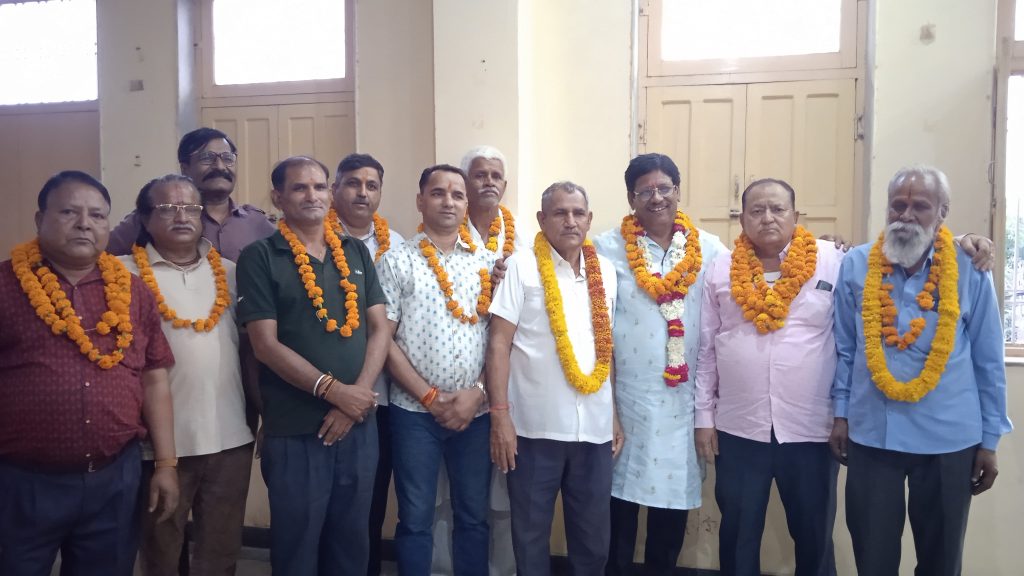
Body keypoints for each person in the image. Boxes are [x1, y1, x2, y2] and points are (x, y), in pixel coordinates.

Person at [830, 166, 1012, 576]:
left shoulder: (970, 268)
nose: (906, 215)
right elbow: (845, 348)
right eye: (898, 205)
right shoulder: (857, 264)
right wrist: (840, 414)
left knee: (941, 561)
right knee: (873, 558)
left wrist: (990, 441)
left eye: (921, 206)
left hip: (948, 439)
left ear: (943, 212)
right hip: (873, 434)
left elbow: (988, 360)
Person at [0, 171, 179, 576]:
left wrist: (166, 464)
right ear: (40, 219)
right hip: (22, 483)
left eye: (97, 215)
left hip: (114, 480)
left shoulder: (133, 291)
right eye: (69, 212)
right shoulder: (5, 286)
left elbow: (154, 379)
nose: (85, 224)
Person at [236, 156, 390, 575]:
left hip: (358, 426)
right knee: (298, 546)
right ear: (278, 197)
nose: (312, 195)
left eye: (320, 186)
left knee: (352, 543)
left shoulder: (355, 251)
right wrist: (335, 392)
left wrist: (355, 399)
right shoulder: (260, 256)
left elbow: (380, 329)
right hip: (296, 427)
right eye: (300, 187)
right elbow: (264, 345)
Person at [694, 179, 841, 576]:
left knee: (814, 535)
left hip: (811, 429)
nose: (768, 218)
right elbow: (706, 349)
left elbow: (888, 259)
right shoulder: (720, 268)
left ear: (796, 215)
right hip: (739, 428)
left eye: (778, 209)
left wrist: (965, 241)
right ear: (743, 219)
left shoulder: (833, 260)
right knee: (738, 535)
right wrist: (703, 418)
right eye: (756, 211)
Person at [593, 153, 728, 575]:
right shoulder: (605, 249)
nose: (656, 198)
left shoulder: (709, 248)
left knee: (670, 517)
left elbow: (750, 274)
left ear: (678, 191)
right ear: (630, 198)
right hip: (626, 402)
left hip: (683, 406)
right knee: (618, 512)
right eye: (645, 191)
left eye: (664, 188)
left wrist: (827, 250)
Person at [119, 174, 255, 576]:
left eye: (190, 208)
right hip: (159, 445)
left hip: (230, 438)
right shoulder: (122, 274)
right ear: (145, 219)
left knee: (221, 553)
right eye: (167, 208)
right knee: (160, 551)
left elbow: (252, 350)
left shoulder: (230, 272)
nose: (181, 216)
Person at [488, 180, 620, 575]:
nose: (570, 221)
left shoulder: (606, 272)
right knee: (530, 538)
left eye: (578, 213)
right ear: (542, 219)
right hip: (534, 430)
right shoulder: (521, 266)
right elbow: (499, 343)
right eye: (560, 213)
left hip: (594, 431)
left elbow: (606, 348)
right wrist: (500, 416)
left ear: (589, 219)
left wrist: (613, 415)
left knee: (593, 540)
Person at [377, 164, 497, 576]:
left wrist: (479, 392)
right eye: (438, 192)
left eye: (457, 194)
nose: (449, 201)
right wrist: (428, 396)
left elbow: (501, 340)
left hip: (476, 412)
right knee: (415, 518)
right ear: (420, 200)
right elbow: (383, 341)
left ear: (467, 204)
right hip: (413, 413)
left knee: (474, 515)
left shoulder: (489, 263)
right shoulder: (396, 261)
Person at [329, 152, 405, 576]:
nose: (362, 192)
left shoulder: (398, 246)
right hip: (327, 390)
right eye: (353, 183)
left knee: (370, 503)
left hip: (385, 396)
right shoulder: (313, 240)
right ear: (335, 189)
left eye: (371, 185)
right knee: (324, 505)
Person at [107, 127, 275, 261]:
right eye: (207, 158)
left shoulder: (256, 221)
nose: (220, 166)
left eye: (227, 158)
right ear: (185, 168)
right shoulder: (158, 215)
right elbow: (102, 255)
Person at [462, 145, 523, 259]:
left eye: (496, 176)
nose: (489, 182)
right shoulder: (450, 230)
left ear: (504, 186)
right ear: (464, 184)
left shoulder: (521, 234)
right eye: (480, 175)